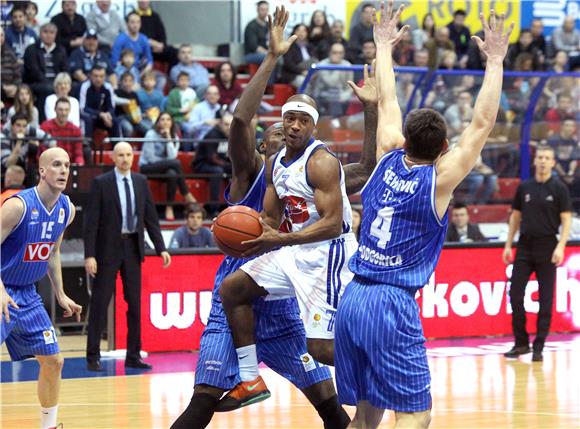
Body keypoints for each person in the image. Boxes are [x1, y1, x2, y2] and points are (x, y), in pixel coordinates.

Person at [170, 6, 377, 427]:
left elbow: (362, 171)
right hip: (248, 289)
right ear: (264, 144)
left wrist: (371, 111)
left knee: (328, 401)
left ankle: (376, 364)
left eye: (297, 126)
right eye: (280, 130)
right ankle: (248, 380)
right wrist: (272, 57)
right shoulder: (252, 169)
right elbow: (243, 118)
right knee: (203, 399)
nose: (287, 134)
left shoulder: (314, 166)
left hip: (288, 295)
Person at [334, 3, 513, 428]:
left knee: (365, 417)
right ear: (444, 146)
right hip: (391, 302)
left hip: (353, 297)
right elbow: (483, 121)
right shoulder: (440, 179)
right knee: (416, 415)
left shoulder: (386, 153)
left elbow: (389, 97)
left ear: (405, 138)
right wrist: (494, 60)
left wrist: (383, 46)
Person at [1, 147, 82, 429]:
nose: (63, 170)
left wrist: (60, 293)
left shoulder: (66, 210)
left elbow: (53, 251)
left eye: (67, 166)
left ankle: (49, 426)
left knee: (54, 361)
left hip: (29, 294)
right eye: (56, 165)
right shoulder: (17, 206)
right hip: (2, 289)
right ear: (42, 171)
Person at [84, 142, 171, 372]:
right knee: (100, 303)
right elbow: (90, 222)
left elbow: (150, 217)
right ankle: (93, 356)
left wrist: (161, 247)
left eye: (128, 154)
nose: (125, 158)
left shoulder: (141, 182)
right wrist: (89, 255)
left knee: (134, 304)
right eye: (120, 155)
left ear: (133, 157)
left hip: (133, 247)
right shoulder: (101, 183)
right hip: (106, 250)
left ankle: (133, 355)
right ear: (113, 157)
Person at [502, 146, 572, 362]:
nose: (542, 161)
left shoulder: (559, 189)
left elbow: (566, 220)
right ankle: (521, 343)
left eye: (547, 158)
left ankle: (539, 346)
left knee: (545, 299)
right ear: (535, 161)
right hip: (524, 246)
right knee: (515, 295)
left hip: (547, 247)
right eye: (540, 157)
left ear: (553, 162)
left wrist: (560, 246)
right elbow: (515, 217)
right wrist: (507, 244)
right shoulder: (525, 187)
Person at [139, 112, 196, 220]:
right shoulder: (151, 134)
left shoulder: (174, 136)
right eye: (162, 119)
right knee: (176, 163)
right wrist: (166, 163)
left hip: (164, 169)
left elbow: (172, 156)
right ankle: (186, 193)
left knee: (172, 173)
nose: (165, 122)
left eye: (168, 120)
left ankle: (169, 207)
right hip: (147, 167)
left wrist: (169, 138)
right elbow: (150, 158)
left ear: (172, 123)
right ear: (158, 122)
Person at [23, 23, 69, 121]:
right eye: (45, 32)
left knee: (73, 87)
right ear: (40, 33)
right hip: (36, 83)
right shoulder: (31, 49)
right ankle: (43, 121)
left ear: (55, 34)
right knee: (47, 89)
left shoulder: (61, 50)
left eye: (52, 33)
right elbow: (33, 72)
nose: (48, 35)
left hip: (56, 83)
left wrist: (60, 83)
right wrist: (53, 85)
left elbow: (65, 70)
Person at [1, 113, 53, 187]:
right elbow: (8, 164)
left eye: (24, 126)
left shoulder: (28, 130)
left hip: (24, 167)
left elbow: (51, 140)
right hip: (5, 171)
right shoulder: (4, 136)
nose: (21, 129)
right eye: (18, 125)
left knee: (34, 168)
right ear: (12, 126)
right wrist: (19, 142)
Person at [78, 65, 120, 140]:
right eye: (96, 76)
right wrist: (100, 114)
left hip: (103, 118)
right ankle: (87, 148)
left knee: (115, 121)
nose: (98, 79)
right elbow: (83, 108)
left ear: (105, 77)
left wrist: (108, 115)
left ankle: (117, 147)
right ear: (90, 76)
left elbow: (111, 107)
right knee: (88, 120)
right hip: (90, 116)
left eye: (101, 76)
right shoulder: (84, 87)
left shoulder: (108, 87)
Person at [40, 97, 84, 166]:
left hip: (70, 166)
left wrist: (79, 164)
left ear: (70, 111)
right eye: (60, 110)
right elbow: (43, 152)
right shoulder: (45, 126)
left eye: (66, 110)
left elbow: (78, 153)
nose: (63, 113)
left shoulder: (76, 129)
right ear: (55, 110)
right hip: (51, 165)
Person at [279, 24, 316, 89]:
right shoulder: (289, 46)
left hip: (309, 72)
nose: (301, 33)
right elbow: (288, 64)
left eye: (304, 31)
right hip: (293, 74)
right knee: (304, 84)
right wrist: (302, 72)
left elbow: (315, 61)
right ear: (294, 32)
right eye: (298, 30)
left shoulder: (310, 46)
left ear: (307, 33)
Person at [243, 0, 269, 65]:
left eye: (266, 9)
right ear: (257, 10)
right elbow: (254, 46)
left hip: (265, 53)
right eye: (262, 9)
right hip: (251, 54)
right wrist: (268, 53)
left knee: (278, 57)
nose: (265, 12)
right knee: (269, 58)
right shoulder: (251, 26)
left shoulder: (268, 25)